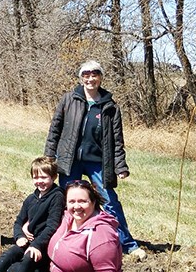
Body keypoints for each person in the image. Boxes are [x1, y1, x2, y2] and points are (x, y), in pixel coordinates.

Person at [45, 60, 142, 257]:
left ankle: (127, 244)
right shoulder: (69, 99)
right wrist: (49, 154)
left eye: (94, 75)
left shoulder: (110, 106)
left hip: (98, 162)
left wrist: (120, 165)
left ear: (100, 78)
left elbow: (117, 139)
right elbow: (55, 128)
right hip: (69, 160)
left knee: (109, 200)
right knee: (67, 199)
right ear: (81, 78)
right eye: (86, 75)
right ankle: (64, 235)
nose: (90, 79)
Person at [18, 180, 141, 272]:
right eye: (71, 201)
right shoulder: (67, 217)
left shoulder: (101, 236)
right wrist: (27, 226)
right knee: (16, 270)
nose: (76, 207)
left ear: (93, 201)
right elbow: (44, 222)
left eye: (82, 201)